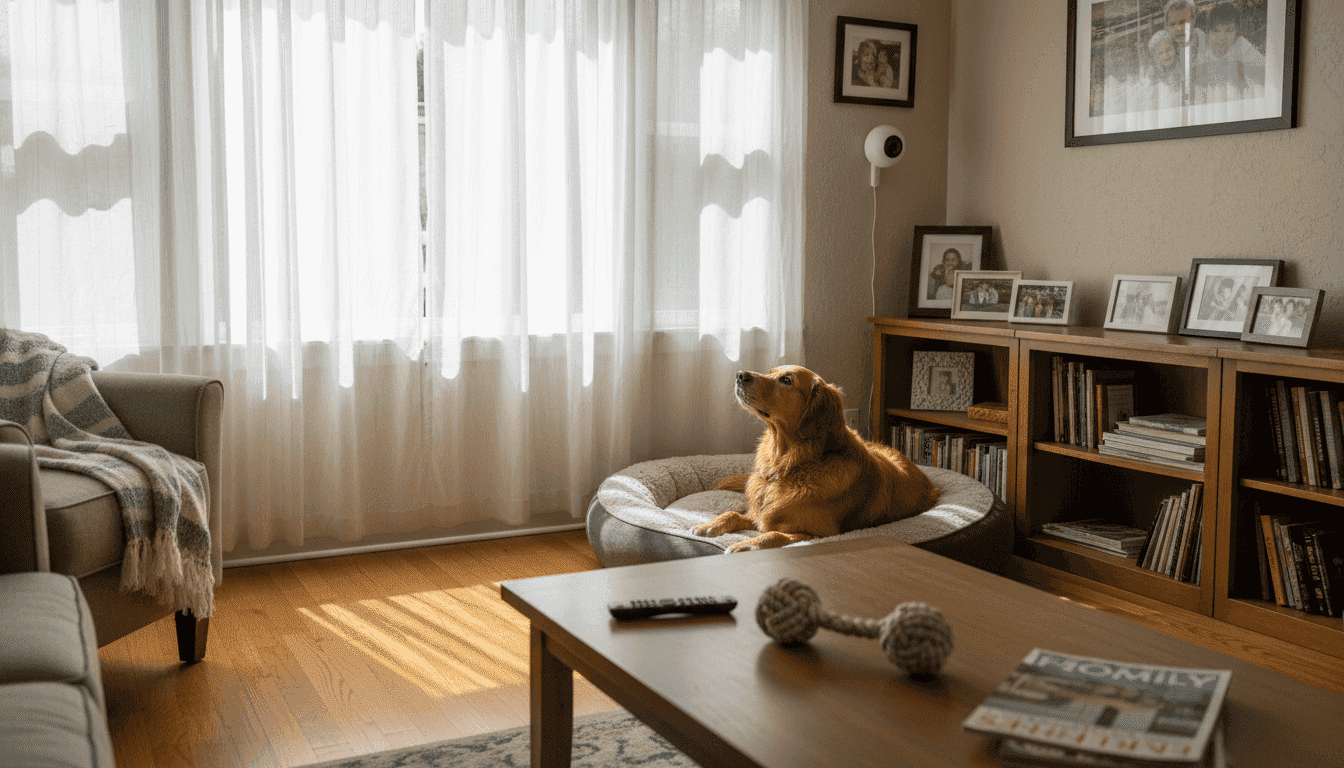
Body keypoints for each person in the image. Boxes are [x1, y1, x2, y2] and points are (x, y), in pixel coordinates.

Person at [1200, 1, 1266, 102]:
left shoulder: (1241, 46)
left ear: (1237, 32)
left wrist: (1244, 68)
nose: (1221, 37)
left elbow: (1264, 73)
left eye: (1228, 30)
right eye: (1216, 31)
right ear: (1208, 33)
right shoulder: (1205, 54)